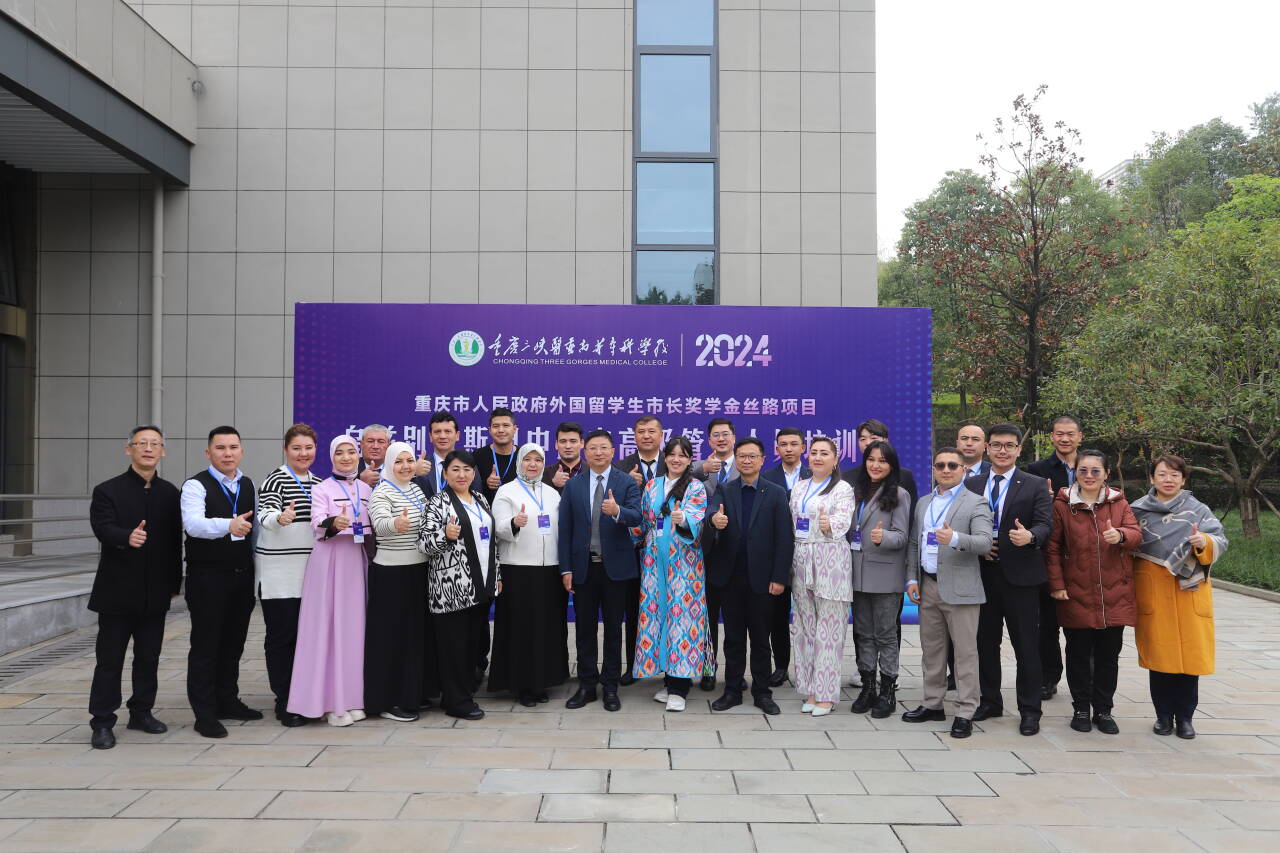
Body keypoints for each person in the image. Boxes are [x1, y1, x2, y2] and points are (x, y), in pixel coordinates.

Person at [87, 425, 182, 749]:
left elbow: (174, 542)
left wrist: (174, 583)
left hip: (155, 592)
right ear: (129, 449)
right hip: (116, 592)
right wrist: (125, 536)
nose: (148, 449)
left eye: (155, 444)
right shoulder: (107, 490)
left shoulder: (170, 493)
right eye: (142, 443)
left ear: (162, 451)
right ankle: (102, 721)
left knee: (148, 657)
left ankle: (141, 712)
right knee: (109, 660)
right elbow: (102, 528)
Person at [1130, 454, 1228, 740]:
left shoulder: (1198, 509)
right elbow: (1127, 542)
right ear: (1152, 478)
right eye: (1162, 474)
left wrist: (1203, 542)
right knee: (1159, 659)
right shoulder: (1137, 510)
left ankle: (1185, 718)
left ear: (1184, 479)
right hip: (1154, 590)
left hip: (1189, 591)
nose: (1168, 480)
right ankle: (1163, 716)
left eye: (1174, 475)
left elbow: (1219, 540)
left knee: (1189, 660)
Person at [1044, 449, 1140, 735]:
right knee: (1078, 655)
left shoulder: (1119, 502)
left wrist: (1120, 536)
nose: (1089, 476)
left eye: (1095, 471)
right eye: (1083, 470)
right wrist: (1057, 584)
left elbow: (1136, 535)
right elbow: (1052, 548)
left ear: (1106, 474)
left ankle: (1104, 710)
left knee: (1108, 657)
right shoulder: (1063, 504)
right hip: (1076, 592)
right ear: (1075, 473)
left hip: (1114, 593)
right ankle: (1081, 709)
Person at [964, 423, 1053, 736]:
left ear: (1018, 450)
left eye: (1009, 445)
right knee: (984, 644)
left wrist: (1030, 537)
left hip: (1020, 578)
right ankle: (990, 701)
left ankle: (1030, 710)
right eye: (997, 445)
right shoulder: (971, 483)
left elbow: (1045, 525)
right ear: (987, 448)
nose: (1003, 451)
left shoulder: (1035, 484)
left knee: (1026, 646)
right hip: (981, 574)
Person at [903, 447, 992, 739]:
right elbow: (914, 543)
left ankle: (965, 711)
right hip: (928, 585)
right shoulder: (924, 502)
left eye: (952, 465)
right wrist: (912, 579)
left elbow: (984, 542)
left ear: (964, 470)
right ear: (933, 470)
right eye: (940, 465)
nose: (945, 470)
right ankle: (932, 703)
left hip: (961, 589)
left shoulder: (976, 502)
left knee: (965, 654)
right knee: (932, 650)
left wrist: (953, 538)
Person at [704, 437, 794, 715]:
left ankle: (762, 692)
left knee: (760, 639)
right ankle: (732, 690)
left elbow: (784, 539)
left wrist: (779, 577)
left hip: (762, 580)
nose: (746, 460)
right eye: (742, 456)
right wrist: (714, 520)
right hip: (730, 578)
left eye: (752, 456)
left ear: (763, 460)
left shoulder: (776, 493)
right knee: (732, 638)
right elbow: (711, 511)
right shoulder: (725, 488)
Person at [181, 425, 260, 739]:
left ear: (241, 450)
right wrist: (228, 525)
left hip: (241, 576)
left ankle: (228, 700)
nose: (228, 453)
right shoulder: (195, 486)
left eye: (233, 447)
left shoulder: (247, 484)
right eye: (220, 448)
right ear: (208, 452)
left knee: (233, 643)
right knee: (206, 645)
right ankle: (204, 714)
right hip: (207, 578)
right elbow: (193, 524)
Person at [287, 435, 372, 727]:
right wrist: (333, 523)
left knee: (353, 630)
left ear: (358, 455)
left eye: (351, 452)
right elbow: (316, 522)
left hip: (356, 560)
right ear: (332, 457)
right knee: (327, 630)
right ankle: (328, 703)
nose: (346, 458)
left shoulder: (366, 489)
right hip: (329, 562)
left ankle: (352, 698)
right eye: (340, 453)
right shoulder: (321, 488)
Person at [559, 429, 642, 711]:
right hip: (584, 567)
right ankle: (586, 685)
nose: (598, 453)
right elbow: (566, 529)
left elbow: (637, 516)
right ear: (585, 452)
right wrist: (566, 568)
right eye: (593, 448)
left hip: (615, 569)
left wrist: (617, 511)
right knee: (584, 629)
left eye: (603, 448)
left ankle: (610, 686)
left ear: (613, 451)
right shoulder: (574, 484)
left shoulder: (626, 482)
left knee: (613, 630)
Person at [419, 450, 502, 720]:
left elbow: (491, 541)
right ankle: (457, 702)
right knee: (453, 647)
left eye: (467, 469)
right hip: (451, 589)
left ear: (474, 473)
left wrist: (497, 575)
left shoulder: (480, 499)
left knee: (470, 645)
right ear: (445, 473)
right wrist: (445, 534)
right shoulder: (437, 502)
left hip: (480, 586)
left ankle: (458, 694)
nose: (462, 475)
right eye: (455, 469)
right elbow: (424, 544)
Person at [630, 436, 710, 712]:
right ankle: (668, 679)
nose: (676, 459)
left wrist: (683, 518)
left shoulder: (696, 487)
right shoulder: (652, 486)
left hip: (684, 564)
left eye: (682, 455)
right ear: (665, 457)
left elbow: (697, 519)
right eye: (672, 454)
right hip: (654, 562)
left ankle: (680, 687)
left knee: (682, 620)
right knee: (659, 616)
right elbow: (643, 522)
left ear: (689, 460)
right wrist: (621, 519)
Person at [489, 444, 569, 706]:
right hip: (518, 570)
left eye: (538, 460)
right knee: (521, 629)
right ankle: (522, 685)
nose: (533, 464)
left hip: (549, 570)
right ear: (519, 463)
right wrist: (514, 523)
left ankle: (541, 681)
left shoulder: (552, 493)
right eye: (527, 459)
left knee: (546, 628)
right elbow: (498, 527)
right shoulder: (506, 491)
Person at [254, 424, 320, 728]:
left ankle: (303, 696)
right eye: (296, 448)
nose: (303, 453)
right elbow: (265, 514)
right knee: (282, 638)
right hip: (279, 575)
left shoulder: (319, 483)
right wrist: (279, 518)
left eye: (308, 448)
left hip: (310, 575)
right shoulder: (275, 480)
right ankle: (283, 701)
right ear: (286, 450)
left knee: (305, 639)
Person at [788, 436, 855, 716]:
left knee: (829, 630)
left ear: (835, 460)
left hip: (831, 560)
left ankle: (826, 695)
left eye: (824, 453)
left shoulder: (843, 488)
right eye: (814, 452)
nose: (817, 457)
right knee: (805, 629)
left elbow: (843, 521)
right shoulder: (799, 487)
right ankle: (811, 690)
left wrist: (829, 525)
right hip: (801, 558)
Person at [365, 441, 429, 722]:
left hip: (419, 570)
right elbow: (379, 525)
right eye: (398, 461)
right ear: (389, 464)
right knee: (390, 640)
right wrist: (395, 525)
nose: (405, 466)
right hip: (391, 574)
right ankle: (387, 701)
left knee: (413, 637)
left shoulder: (416, 489)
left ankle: (411, 695)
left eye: (409, 460)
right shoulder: (382, 492)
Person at [848, 440, 912, 718]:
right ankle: (868, 688)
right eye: (871, 459)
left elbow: (902, 536)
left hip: (885, 575)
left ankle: (887, 690)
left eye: (882, 461)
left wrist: (883, 536)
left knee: (885, 634)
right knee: (863, 633)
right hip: (857, 574)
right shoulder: (856, 491)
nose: (875, 465)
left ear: (891, 466)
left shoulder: (899, 494)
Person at [1027, 414, 1085, 700]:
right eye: (1059, 434)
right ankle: (1048, 677)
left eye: (1070, 434)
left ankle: (1084, 681)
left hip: (1083, 557)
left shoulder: (1091, 466)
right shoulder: (1036, 470)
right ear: (1051, 437)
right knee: (1046, 625)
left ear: (1080, 437)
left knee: (1081, 625)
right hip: (1048, 556)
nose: (1065, 438)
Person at [619, 415, 668, 685]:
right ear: (634, 436)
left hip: (665, 551)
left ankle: (669, 666)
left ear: (661, 435)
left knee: (667, 608)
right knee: (633, 610)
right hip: (630, 551)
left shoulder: (673, 463)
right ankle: (633, 665)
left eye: (651, 431)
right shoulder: (621, 467)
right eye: (641, 431)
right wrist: (626, 483)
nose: (646, 436)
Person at [760, 427, 810, 687]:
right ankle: (780, 667)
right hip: (776, 557)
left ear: (803, 447)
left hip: (808, 555)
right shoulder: (766, 478)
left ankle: (810, 667)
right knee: (776, 616)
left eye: (793, 443)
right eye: (783, 444)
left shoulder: (816, 476)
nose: (788, 449)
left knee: (808, 615)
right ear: (776, 448)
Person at [693, 417, 739, 692]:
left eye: (725, 434)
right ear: (709, 441)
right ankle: (708, 669)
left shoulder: (745, 465)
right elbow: (679, 477)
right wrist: (702, 469)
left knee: (735, 620)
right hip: (705, 552)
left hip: (735, 552)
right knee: (706, 619)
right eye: (715, 435)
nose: (721, 439)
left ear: (733, 437)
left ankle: (735, 674)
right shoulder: (699, 467)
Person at [474, 407, 520, 502]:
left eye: (506, 425)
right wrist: (485, 483)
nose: (501, 430)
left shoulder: (524, 456)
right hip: (485, 510)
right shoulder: (477, 456)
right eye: (496, 426)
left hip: (518, 510)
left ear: (514, 429)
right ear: (490, 430)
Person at [544, 421, 585, 491]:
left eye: (573, 441)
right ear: (556, 444)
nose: (568, 446)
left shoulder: (594, 471)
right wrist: (553, 484)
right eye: (563, 441)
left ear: (582, 443)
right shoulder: (544, 473)